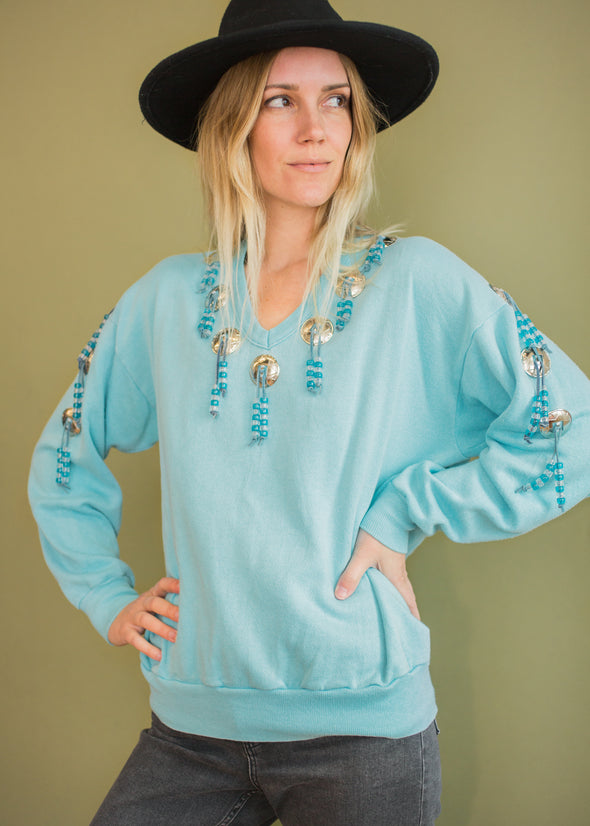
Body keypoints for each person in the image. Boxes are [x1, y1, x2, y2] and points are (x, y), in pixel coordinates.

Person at [28, 1, 590, 824]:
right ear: (232, 126)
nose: (317, 128)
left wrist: (406, 509)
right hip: (191, 728)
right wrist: (105, 597)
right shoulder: (165, 300)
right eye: (280, 100)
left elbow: (571, 428)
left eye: (337, 100)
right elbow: (63, 457)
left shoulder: (417, 281)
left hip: (365, 736)